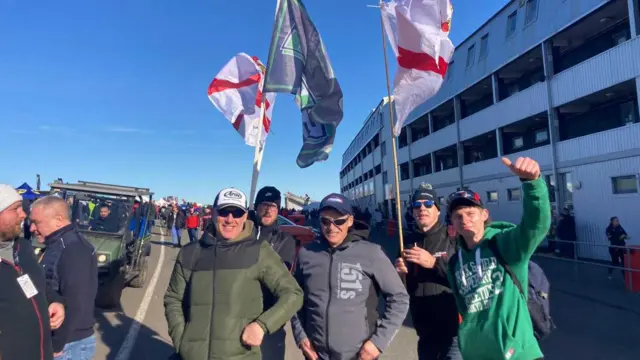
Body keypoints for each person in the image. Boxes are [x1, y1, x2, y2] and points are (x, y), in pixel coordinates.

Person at [164, 187, 303, 360]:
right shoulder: (190, 253)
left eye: (237, 213)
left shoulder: (259, 251)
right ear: (214, 213)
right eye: (224, 212)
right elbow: (173, 298)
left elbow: (293, 293)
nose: (230, 219)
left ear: (245, 216)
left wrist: (262, 325)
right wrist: (181, 341)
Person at [446, 157, 551, 360]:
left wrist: (532, 184)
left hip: (518, 354)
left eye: (470, 213)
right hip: (477, 354)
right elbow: (464, 311)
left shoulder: (505, 245)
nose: (464, 220)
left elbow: (536, 225)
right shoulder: (455, 263)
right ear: (452, 221)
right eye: (458, 216)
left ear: (484, 214)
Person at [291, 193, 410, 360]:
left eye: (339, 221)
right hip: (316, 355)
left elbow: (399, 298)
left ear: (350, 221)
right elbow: (294, 298)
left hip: (359, 355)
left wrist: (378, 343)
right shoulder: (306, 254)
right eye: (325, 221)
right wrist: (301, 337)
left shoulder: (371, 253)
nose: (331, 227)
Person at [395, 184, 460, 360]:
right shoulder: (406, 242)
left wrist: (433, 263)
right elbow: (403, 288)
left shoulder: (453, 235)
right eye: (417, 205)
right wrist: (399, 275)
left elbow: (465, 276)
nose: (422, 209)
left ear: (438, 210)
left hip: (454, 331)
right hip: (424, 331)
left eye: (428, 204)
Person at [0, 185, 65, 360]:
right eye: (15, 209)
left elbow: (38, 285)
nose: (23, 215)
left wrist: (55, 301)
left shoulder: (23, 247)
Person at [30, 196, 98, 360]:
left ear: (58, 220)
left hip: (69, 345)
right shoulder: (56, 244)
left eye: (36, 222)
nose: (31, 228)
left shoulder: (74, 249)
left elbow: (76, 301)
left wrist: (56, 345)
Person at [251, 186, 297, 360]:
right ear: (256, 207)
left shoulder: (285, 240)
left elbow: (279, 280)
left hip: (270, 320)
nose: (268, 210)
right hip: (239, 318)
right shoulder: (244, 235)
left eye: (273, 206)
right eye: (264, 205)